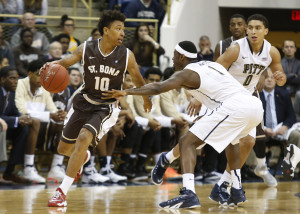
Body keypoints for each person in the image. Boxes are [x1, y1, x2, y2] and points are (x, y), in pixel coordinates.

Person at [145, 14, 287, 204]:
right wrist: (198, 97)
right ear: (247, 30)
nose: (253, 31)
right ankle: (167, 158)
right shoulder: (236, 49)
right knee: (197, 140)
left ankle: (222, 184)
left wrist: (280, 78)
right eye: (251, 28)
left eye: (258, 28)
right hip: (222, 97)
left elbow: (282, 77)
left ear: (265, 31)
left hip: (245, 99)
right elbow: (212, 70)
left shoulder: (272, 52)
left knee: (248, 142)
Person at [103, 40, 264, 208]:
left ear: (181, 56)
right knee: (233, 141)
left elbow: (159, 87)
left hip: (234, 107)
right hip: (254, 106)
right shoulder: (210, 65)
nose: (172, 60)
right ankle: (237, 189)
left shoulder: (187, 73)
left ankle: (188, 192)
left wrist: (126, 91)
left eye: (174, 57)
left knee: (187, 141)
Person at [46, 10, 151, 207]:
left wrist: (145, 98)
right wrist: (52, 65)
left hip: (106, 106)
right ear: (106, 30)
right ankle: (83, 156)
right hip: (84, 102)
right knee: (63, 149)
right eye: (118, 29)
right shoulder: (86, 48)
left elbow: (138, 79)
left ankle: (61, 192)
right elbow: (66, 61)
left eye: (123, 29)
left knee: (85, 137)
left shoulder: (127, 55)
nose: (122, 33)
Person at [15, 60, 65, 183]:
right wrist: (50, 115)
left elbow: (53, 110)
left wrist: (60, 115)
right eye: (39, 75)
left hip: (38, 128)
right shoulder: (19, 84)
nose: (42, 79)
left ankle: (56, 167)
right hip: (19, 125)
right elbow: (22, 112)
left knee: (62, 123)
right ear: (29, 73)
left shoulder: (44, 89)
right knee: (35, 121)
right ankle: (28, 168)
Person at [0, 66, 32, 184]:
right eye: (12, 78)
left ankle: (10, 171)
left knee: (23, 129)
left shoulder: (12, 93)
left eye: (17, 78)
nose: (16, 81)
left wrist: (23, 118)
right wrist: (17, 119)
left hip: (5, 127)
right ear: (3, 79)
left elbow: (15, 112)